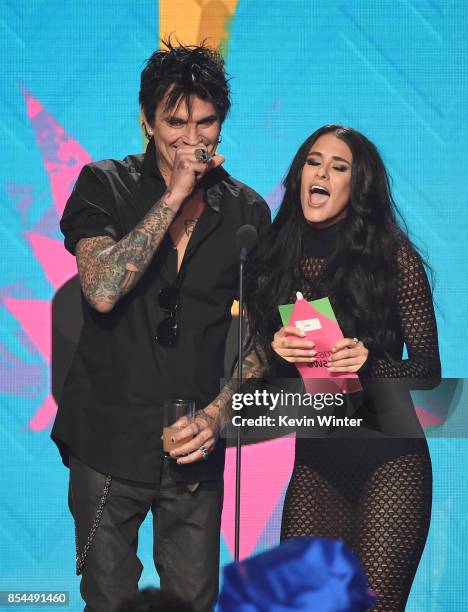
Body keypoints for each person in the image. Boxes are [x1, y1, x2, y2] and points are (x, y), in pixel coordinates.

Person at [51, 39, 270, 612]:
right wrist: (174, 196)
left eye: (206, 123)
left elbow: (261, 340)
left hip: (194, 449)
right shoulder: (104, 184)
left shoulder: (247, 211)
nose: (192, 139)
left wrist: (219, 416)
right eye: (175, 122)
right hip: (105, 441)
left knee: (194, 602)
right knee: (107, 599)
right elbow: (100, 290)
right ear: (147, 122)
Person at [244, 125, 441, 611]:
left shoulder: (394, 258)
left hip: (391, 460)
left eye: (339, 166)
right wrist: (275, 353)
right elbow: (269, 382)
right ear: (299, 173)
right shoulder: (271, 259)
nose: (323, 173)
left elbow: (430, 369)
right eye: (314, 161)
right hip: (317, 463)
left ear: (359, 185)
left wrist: (372, 363)